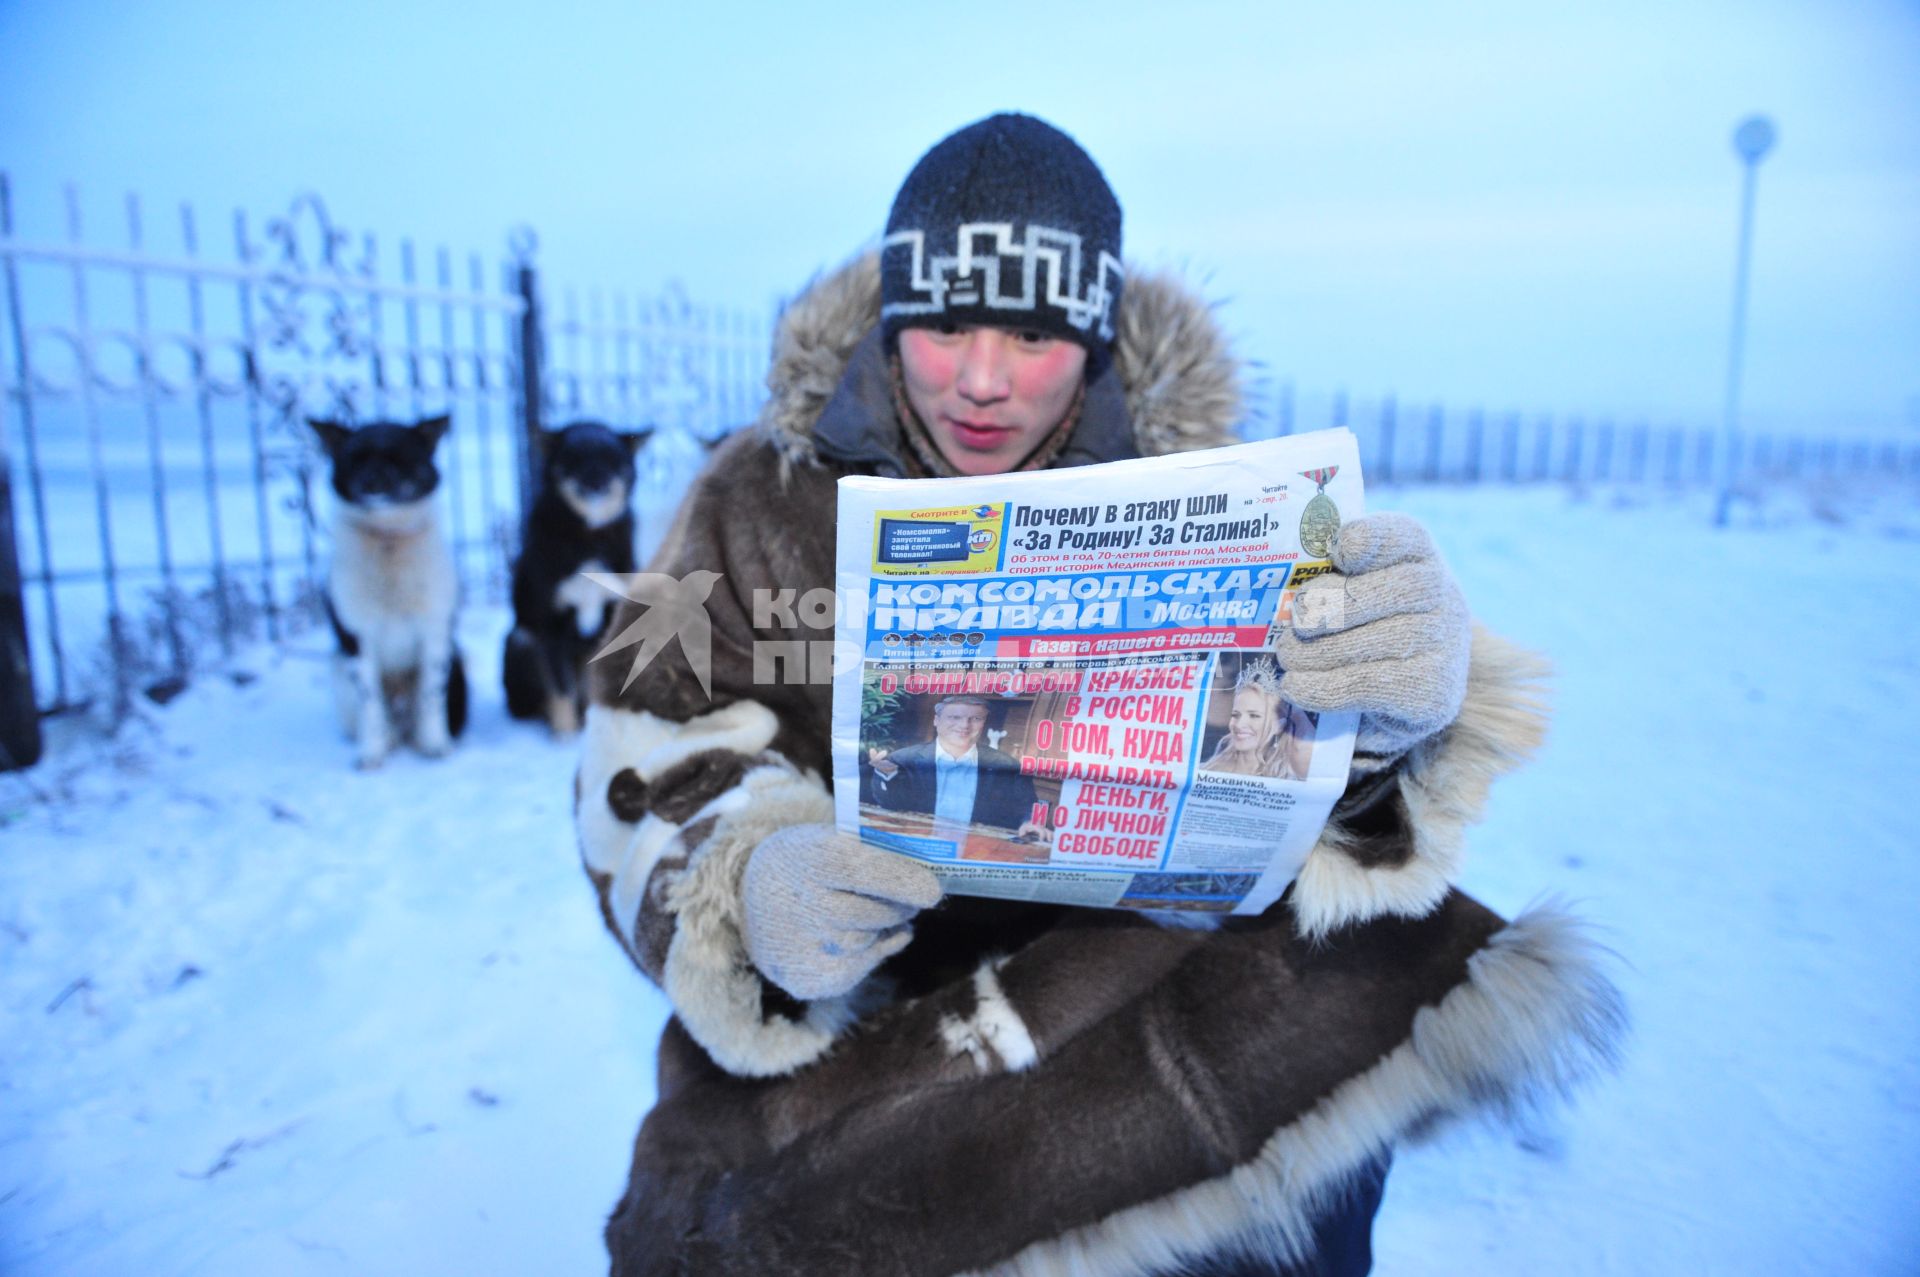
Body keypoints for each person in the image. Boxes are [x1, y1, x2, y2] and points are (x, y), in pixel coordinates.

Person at [574, 112, 1622, 1277]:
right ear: (889, 323)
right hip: (874, 1017)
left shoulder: (1223, 504)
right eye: (944, 326)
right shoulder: (753, 500)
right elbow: (649, 740)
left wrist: (1384, 718)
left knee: (1290, 1181)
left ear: (1097, 336)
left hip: (1134, 977)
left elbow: (1313, 810)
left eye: (1030, 332)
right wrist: (748, 884)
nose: (980, 379)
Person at [864, 694, 1044, 837]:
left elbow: (1027, 806)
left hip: (978, 847)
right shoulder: (901, 759)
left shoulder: (1007, 765)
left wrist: (1029, 822)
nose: (964, 725)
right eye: (954, 717)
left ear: (984, 723)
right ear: (937, 720)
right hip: (918, 841)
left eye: (975, 718)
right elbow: (888, 804)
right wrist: (886, 774)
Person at [1203, 655, 1316, 779]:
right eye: (1235, 715)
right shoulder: (1206, 770)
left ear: (1280, 724)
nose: (1239, 725)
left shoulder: (1291, 777)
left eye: (1254, 716)